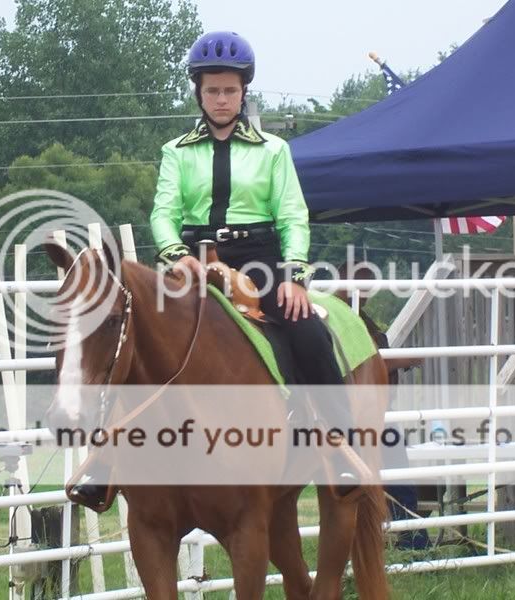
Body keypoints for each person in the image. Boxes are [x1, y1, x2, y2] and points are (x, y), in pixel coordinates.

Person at [73, 31, 365, 508]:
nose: (222, 99)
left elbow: (292, 214)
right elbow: (163, 211)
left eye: (230, 90)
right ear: (198, 92)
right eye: (213, 90)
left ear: (244, 91)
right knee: (131, 333)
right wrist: (172, 252)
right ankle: (104, 463)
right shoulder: (177, 151)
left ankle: (341, 444)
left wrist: (292, 277)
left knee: (308, 331)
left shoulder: (273, 150)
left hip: (260, 260)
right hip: (192, 261)